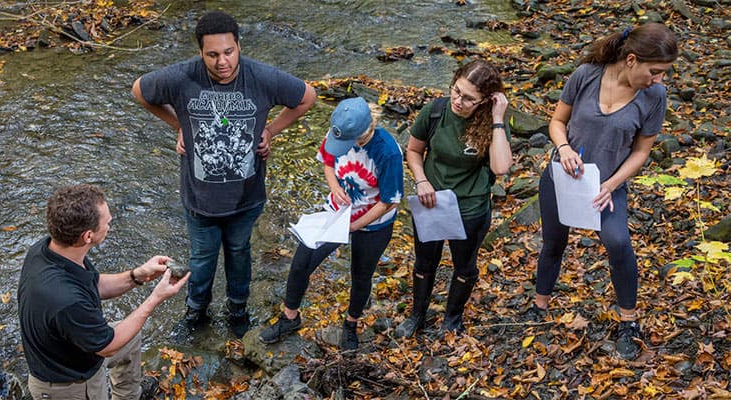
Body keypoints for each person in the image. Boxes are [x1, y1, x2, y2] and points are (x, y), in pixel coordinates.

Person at [131, 11, 316, 340]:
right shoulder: (181, 77)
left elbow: (307, 97)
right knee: (201, 258)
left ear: (238, 46)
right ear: (200, 52)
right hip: (199, 200)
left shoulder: (261, 77)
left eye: (228, 52)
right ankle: (196, 310)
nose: (222, 62)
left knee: (239, 253)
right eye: (212, 54)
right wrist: (179, 125)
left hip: (246, 198)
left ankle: (238, 309)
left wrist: (271, 130)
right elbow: (140, 91)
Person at [531, 23, 678, 360]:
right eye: (655, 72)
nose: (659, 80)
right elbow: (556, 122)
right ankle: (539, 305)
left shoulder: (655, 96)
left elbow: (641, 152)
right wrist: (564, 147)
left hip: (607, 185)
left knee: (618, 241)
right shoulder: (585, 75)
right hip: (563, 178)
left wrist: (612, 184)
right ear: (631, 60)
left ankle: (628, 322)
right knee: (554, 241)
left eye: (664, 74)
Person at [18, 184, 190, 399]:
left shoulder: (45, 250)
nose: (110, 225)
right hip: (70, 383)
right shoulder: (66, 299)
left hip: (79, 349)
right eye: (107, 222)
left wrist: (138, 275)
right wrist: (156, 298)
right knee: (119, 340)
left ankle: (128, 396)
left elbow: (94, 285)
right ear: (88, 236)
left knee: (131, 338)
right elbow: (108, 347)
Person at [258, 97, 403, 351]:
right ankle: (290, 317)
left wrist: (355, 226)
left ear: (366, 130)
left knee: (361, 274)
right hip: (336, 212)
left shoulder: (387, 151)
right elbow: (327, 161)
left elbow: (389, 201)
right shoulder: (339, 131)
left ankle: (350, 324)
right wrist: (335, 187)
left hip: (373, 222)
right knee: (302, 261)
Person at [396, 60, 512, 338]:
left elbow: (500, 167)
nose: (458, 101)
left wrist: (497, 119)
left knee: (465, 265)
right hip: (431, 201)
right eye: (456, 91)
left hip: (470, 208)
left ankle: (452, 317)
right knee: (425, 262)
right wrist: (421, 180)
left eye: (469, 99)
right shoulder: (435, 111)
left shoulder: (492, 125)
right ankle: (417, 315)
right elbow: (413, 151)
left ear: (485, 101)